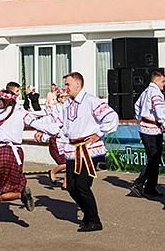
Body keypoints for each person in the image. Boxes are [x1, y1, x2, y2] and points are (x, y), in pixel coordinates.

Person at [37, 72, 118, 232]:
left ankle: (94, 220)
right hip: (72, 149)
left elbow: (112, 117)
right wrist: (44, 133)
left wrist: (99, 134)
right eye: (65, 84)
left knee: (82, 185)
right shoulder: (67, 104)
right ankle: (88, 214)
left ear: (78, 84)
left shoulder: (91, 101)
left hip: (87, 150)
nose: (65, 88)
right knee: (72, 187)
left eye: (67, 84)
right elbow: (60, 125)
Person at [0, 88, 59, 234]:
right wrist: (57, 129)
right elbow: (38, 124)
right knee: (2, 194)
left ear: (1, 100)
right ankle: (21, 195)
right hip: (17, 154)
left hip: (1, 152)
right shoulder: (21, 113)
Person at [130, 70, 165, 197]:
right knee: (153, 158)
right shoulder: (156, 92)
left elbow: (136, 105)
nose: (164, 84)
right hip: (152, 129)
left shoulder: (146, 91)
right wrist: (163, 122)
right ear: (156, 80)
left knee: (154, 158)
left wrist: (140, 117)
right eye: (162, 81)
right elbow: (159, 108)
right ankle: (139, 183)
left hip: (146, 128)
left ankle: (151, 187)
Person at [43, 87, 69, 189]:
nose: (64, 99)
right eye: (62, 97)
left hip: (67, 138)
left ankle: (65, 183)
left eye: (66, 97)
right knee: (66, 163)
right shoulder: (54, 109)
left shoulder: (69, 107)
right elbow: (50, 123)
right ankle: (53, 171)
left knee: (71, 161)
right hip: (57, 139)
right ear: (58, 98)